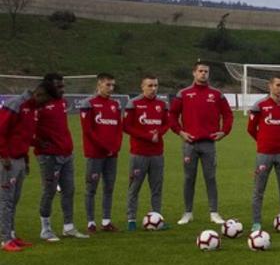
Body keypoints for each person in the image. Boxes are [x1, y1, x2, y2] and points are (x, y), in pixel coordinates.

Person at [170, 61, 233, 225]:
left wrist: (224, 131)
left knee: (210, 178)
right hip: (189, 144)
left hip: (209, 144)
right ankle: (187, 213)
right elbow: (172, 115)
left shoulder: (217, 94)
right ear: (194, 73)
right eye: (200, 71)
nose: (203, 74)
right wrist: (180, 132)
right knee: (189, 178)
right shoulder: (183, 94)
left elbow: (228, 115)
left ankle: (214, 212)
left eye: (206, 71)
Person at [35, 73, 88, 241]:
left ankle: (68, 226)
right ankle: (46, 228)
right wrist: (38, 143)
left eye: (63, 86)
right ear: (49, 86)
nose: (62, 89)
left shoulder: (63, 102)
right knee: (49, 191)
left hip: (66, 154)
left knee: (69, 190)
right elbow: (28, 127)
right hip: (49, 157)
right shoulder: (39, 105)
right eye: (59, 86)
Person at [248, 76, 280, 232]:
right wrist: (263, 141)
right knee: (259, 189)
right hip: (264, 154)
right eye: (278, 85)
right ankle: (256, 222)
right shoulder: (259, 105)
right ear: (270, 86)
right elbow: (251, 128)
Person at [123, 75, 171, 231]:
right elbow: (127, 127)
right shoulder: (134, 103)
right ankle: (131, 219)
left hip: (157, 154)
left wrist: (160, 133)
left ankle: (157, 218)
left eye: (156, 85)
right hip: (139, 154)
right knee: (134, 187)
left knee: (156, 188)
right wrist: (149, 136)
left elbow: (166, 123)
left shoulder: (162, 104)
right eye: (150, 85)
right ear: (142, 86)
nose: (153, 88)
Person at [80, 73, 124, 233]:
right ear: (99, 85)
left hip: (112, 154)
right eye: (108, 85)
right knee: (91, 188)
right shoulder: (88, 104)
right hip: (95, 154)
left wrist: (117, 146)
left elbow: (119, 128)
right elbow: (88, 131)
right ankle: (91, 222)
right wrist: (105, 146)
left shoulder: (115, 104)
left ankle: (106, 221)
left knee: (109, 188)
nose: (111, 88)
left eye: (113, 85)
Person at [0, 88, 38, 251]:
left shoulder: (31, 108)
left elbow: (23, 136)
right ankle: (5, 239)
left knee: (14, 199)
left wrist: (26, 158)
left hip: (20, 158)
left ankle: (12, 234)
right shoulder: (15, 104)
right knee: (6, 200)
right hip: (9, 160)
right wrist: (4, 156)